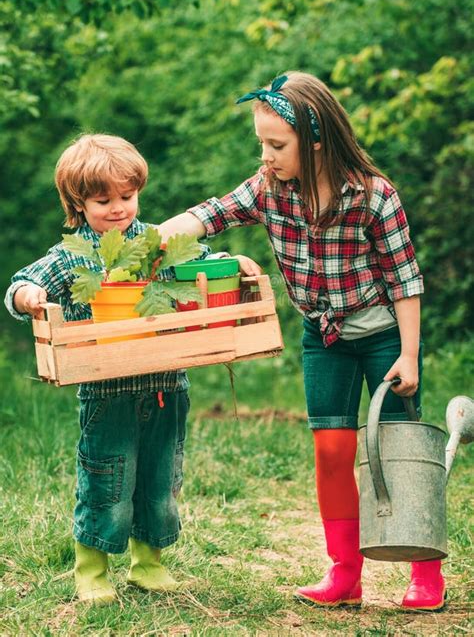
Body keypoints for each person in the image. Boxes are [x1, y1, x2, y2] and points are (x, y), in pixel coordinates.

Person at [157, 71, 445, 611]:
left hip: (384, 334)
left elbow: (405, 279)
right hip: (324, 336)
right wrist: (149, 240)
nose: (265, 156)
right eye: (261, 144)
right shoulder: (270, 188)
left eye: (277, 145)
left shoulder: (373, 196)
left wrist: (409, 354)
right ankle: (345, 573)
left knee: (401, 450)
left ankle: (425, 572)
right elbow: (212, 214)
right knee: (332, 450)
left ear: (316, 141)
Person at [4, 133, 252, 605]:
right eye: (103, 200)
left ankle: (148, 563)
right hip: (106, 388)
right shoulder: (75, 253)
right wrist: (27, 296)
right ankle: (91, 569)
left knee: (161, 479)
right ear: (78, 202)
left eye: (127, 196)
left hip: (166, 383)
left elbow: (198, 262)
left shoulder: (155, 243)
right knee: (107, 478)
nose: (118, 208)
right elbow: (24, 281)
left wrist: (229, 262)